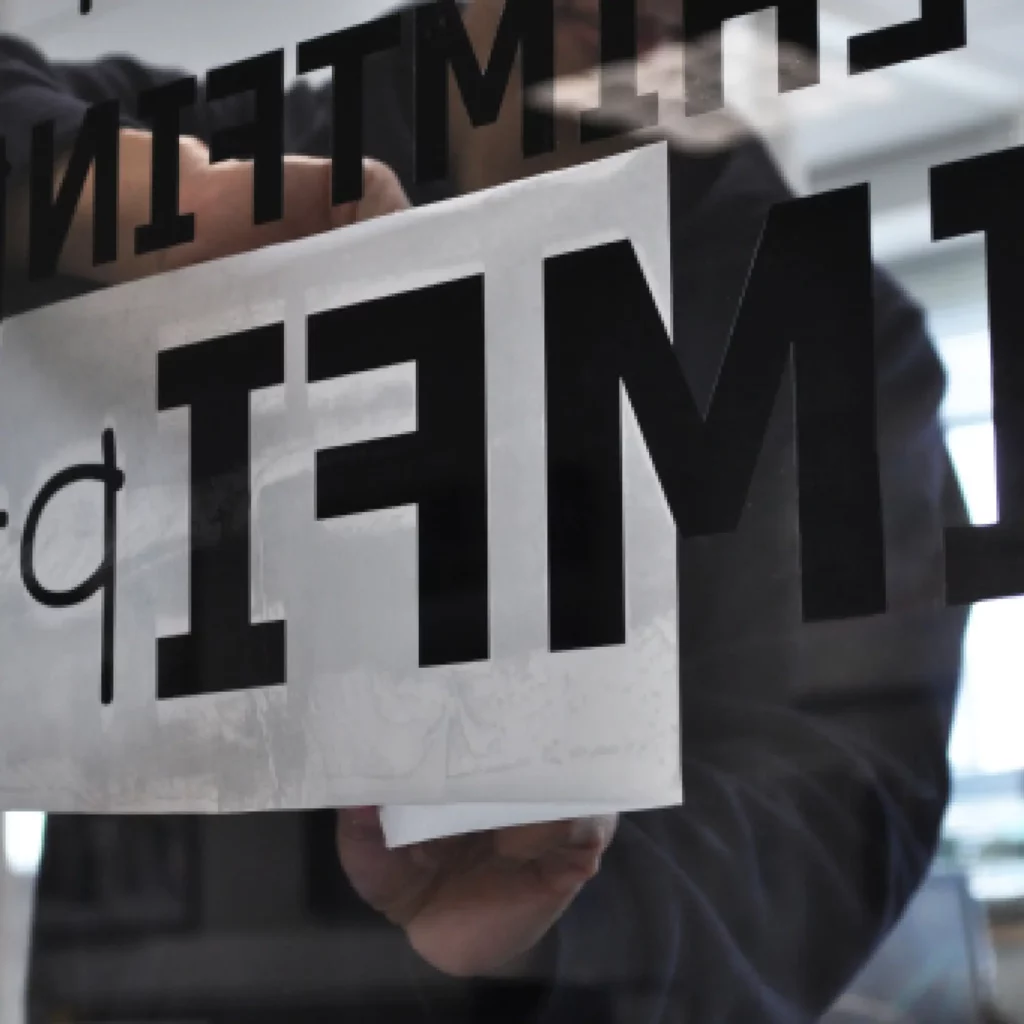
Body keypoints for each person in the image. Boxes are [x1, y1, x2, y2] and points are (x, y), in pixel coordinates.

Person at [0, 1, 969, 1021]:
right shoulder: (272, 150)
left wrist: (567, 924)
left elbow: (828, 809)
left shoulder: (821, 327)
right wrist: (94, 197)